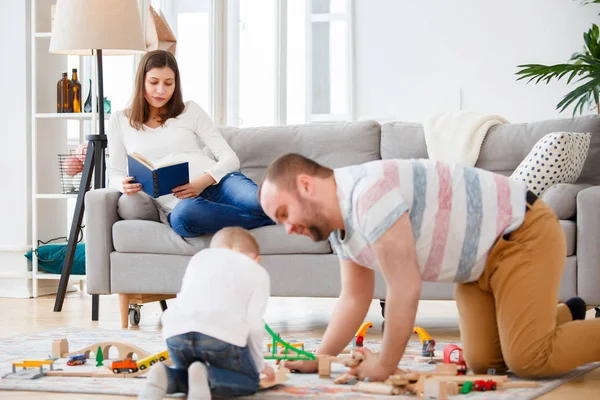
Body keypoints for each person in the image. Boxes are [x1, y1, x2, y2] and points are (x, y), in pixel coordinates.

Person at [258, 153, 598, 381]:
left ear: (306, 185)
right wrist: (323, 357)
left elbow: (405, 287)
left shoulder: (366, 196)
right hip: (476, 271)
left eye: (285, 214)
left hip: (520, 234)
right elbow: (353, 298)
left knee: (528, 359)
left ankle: (546, 330)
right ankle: (562, 316)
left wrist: (385, 366)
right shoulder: (340, 229)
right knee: (486, 363)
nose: (288, 229)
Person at [107, 50, 274, 236]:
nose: (161, 90)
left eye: (168, 83)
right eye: (154, 82)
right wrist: (123, 185)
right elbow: (115, 172)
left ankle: (290, 214)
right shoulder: (119, 120)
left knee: (258, 202)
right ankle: (270, 221)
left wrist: (202, 182)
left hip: (219, 184)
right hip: (180, 204)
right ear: (141, 81)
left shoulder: (190, 111)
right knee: (186, 216)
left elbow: (230, 158)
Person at [138, 227, 274, 400]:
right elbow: (254, 325)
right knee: (249, 381)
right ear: (256, 259)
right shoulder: (257, 271)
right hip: (218, 337)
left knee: (188, 375)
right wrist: (259, 365)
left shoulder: (199, 259)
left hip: (176, 333)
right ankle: (207, 375)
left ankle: (165, 375)